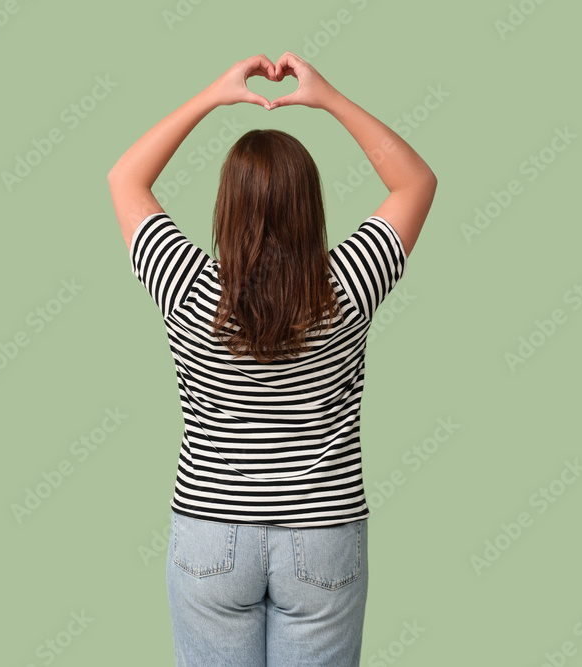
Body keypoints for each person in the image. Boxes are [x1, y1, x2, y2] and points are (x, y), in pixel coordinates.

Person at [107, 52, 437, 666]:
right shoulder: (347, 285)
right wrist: (331, 98)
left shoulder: (188, 285)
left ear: (226, 208)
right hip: (323, 536)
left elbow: (126, 178)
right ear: (311, 203)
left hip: (211, 533)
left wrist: (211, 95)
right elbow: (416, 181)